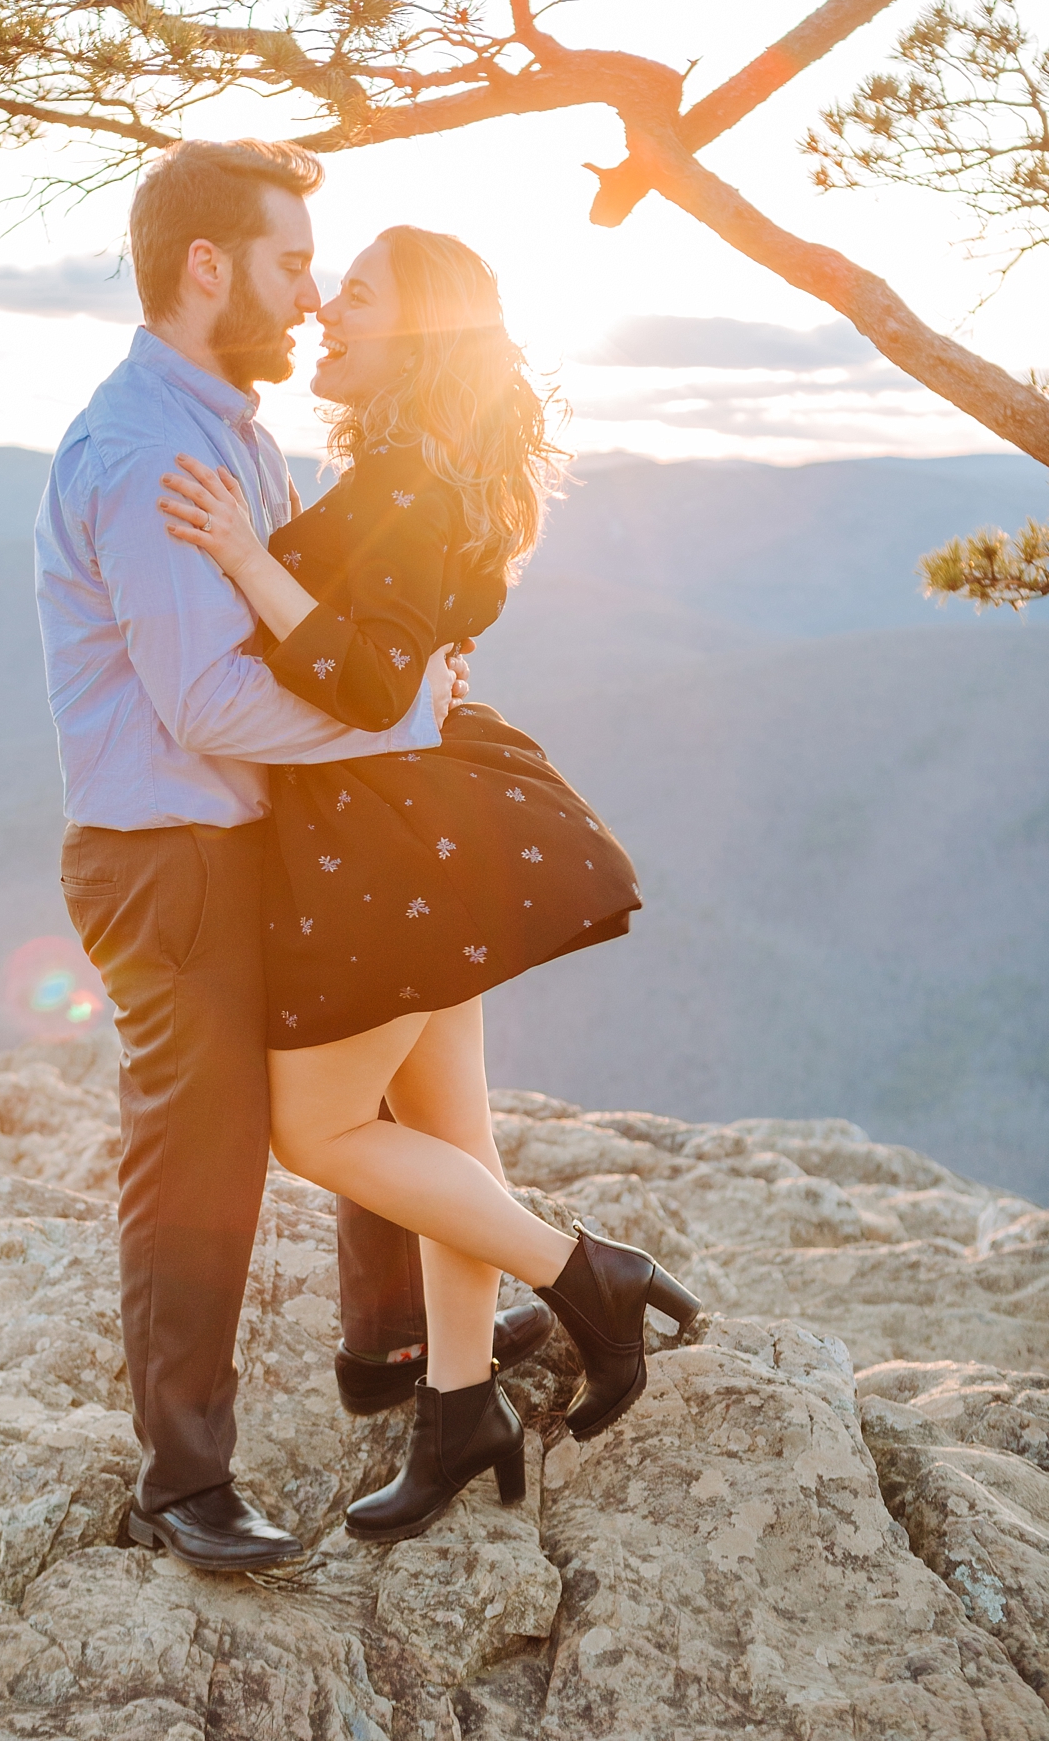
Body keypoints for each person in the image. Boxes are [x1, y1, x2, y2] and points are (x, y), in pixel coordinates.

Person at [34, 143, 553, 1577]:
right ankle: (181, 1475)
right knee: (201, 1154)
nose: (312, 293)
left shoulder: (235, 430)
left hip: (255, 830)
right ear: (210, 268)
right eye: (289, 263)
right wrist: (398, 726)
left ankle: (395, 1348)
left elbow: (315, 637)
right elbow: (207, 703)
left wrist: (397, 699)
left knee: (374, 1072)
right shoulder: (149, 450)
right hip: (172, 852)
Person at [159, 224, 701, 1546]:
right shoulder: (420, 462)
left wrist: (241, 552)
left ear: (417, 333)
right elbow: (399, 662)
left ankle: (590, 1276)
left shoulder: (407, 469)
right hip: (417, 827)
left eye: (355, 295)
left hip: (388, 840)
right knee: (449, 1145)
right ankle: (460, 1413)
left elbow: (356, 676)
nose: (325, 310)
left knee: (324, 1135)